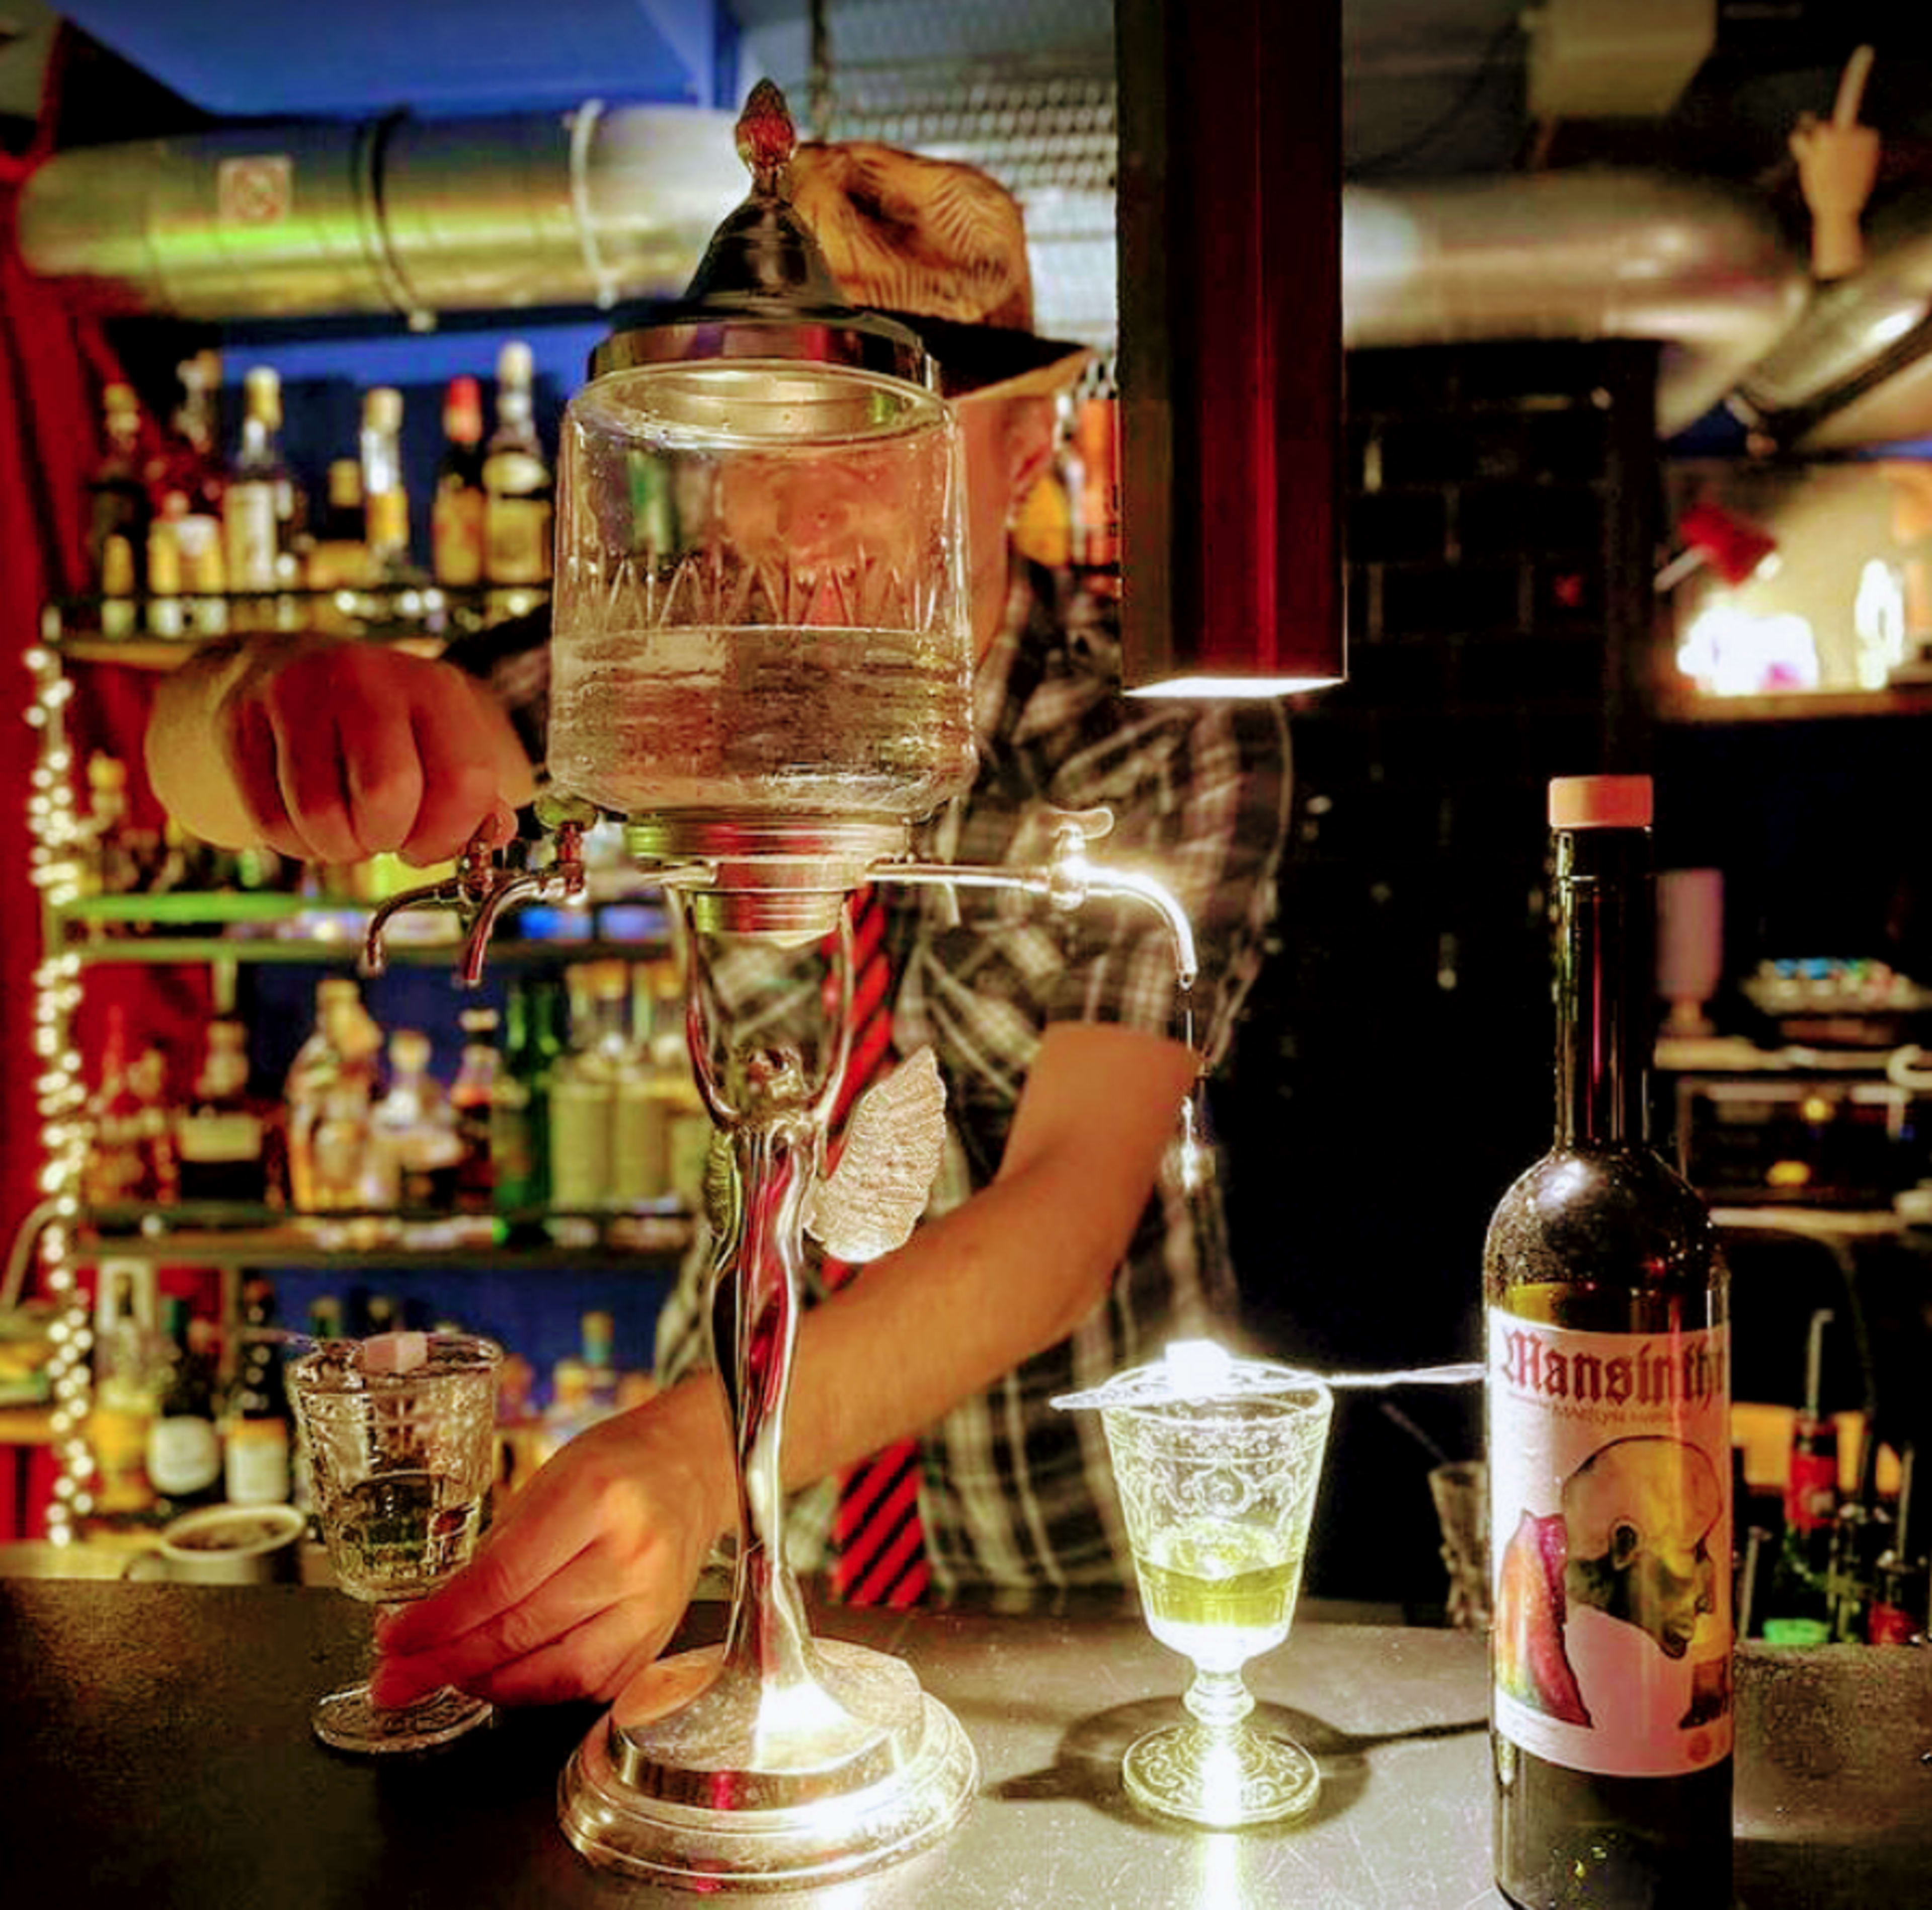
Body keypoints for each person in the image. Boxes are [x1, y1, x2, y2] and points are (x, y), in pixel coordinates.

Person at [145, 138, 1294, 1711]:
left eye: (877, 445)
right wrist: (285, 709)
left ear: (1024, 450)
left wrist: (691, 1449)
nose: (801, 525)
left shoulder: (1154, 730)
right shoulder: (683, 660)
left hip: (1074, 1560)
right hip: (759, 1540)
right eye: (761, 449)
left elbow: (1071, 1209)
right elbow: (201, 751)